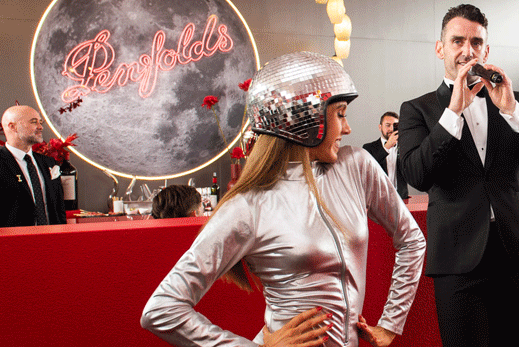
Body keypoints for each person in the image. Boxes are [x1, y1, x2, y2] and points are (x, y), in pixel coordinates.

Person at [141, 51, 426, 347]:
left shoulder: (356, 165)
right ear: (303, 117)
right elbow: (162, 310)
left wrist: (392, 322)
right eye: (340, 113)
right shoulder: (248, 205)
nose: (347, 127)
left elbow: (412, 240)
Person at [398, 4, 519, 347]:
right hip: (457, 255)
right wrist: (454, 111)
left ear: (486, 51)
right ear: (440, 48)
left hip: (517, 249)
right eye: (457, 40)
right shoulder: (418, 109)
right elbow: (416, 175)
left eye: (476, 42)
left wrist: (512, 111)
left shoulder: (516, 100)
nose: (467, 50)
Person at [0, 105, 66, 228]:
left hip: (52, 241)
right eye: (34, 122)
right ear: (13, 127)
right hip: (12, 244)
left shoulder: (49, 163)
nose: (40, 127)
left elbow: (59, 207)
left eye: (40, 122)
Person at [362, 112, 408, 201]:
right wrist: (387, 147)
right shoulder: (368, 148)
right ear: (380, 127)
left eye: (395, 126)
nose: (391, 129)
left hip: (402, 200)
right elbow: (367, 169)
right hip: (377, 201)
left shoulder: (405, 147)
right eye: (388, 125)